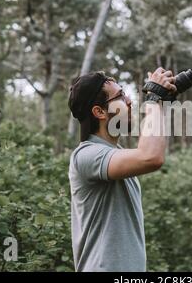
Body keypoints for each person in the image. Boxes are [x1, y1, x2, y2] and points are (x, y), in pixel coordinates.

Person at [67, 68, 176, 272]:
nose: (129, 101)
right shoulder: (86, 155)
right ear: (99, 112)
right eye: (120, 96)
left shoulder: (114, 154)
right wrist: (153, 99)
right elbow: (151, 157)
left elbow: (151, 150)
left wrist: (162, 102)